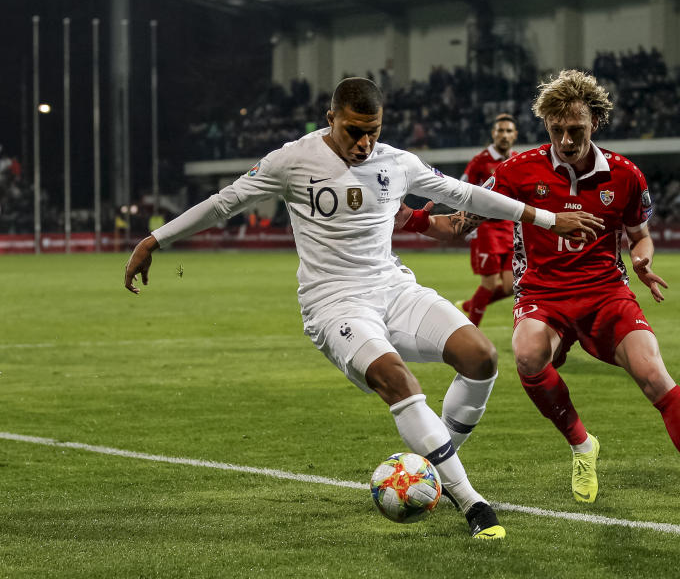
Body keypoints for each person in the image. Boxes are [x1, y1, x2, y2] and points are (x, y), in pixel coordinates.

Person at [123, 77, 604, 539]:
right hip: (334, 303)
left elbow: (465, 194)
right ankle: (472, 501)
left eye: (373, 132)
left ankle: (433, 461)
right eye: (353, 131)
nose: (364, 144)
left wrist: (547, 218)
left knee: (481, 357)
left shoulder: (396, 162)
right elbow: (223, 203)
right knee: (398, 381)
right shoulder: (292, 160)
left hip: (393, 288)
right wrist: (154, 239)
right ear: (329, 117)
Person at [404, 70, 680, 512]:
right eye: (557, 130)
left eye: (577, 130)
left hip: (606, 292)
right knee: (528, 356)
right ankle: (582, 444)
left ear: (596, 123)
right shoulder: (515, 171)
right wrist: (409, 218)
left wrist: (644, 258)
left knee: (653, 374)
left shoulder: (626, 175)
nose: (567, 140)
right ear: (546, 125)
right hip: (543, 295)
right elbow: (458, 224)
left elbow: (640, 235)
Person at [456, 113, 520, 326]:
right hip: (487, 229)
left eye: (508, 131)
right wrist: (468, 224)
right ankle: (471, 328)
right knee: (490, 283)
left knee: (512, 285)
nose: (504, 135)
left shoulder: (517, 159)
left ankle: (471, 304)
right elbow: (463, 191)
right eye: (500, 131)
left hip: (510, 228)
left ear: (515, 135)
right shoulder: (480, 162)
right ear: (493, 134)